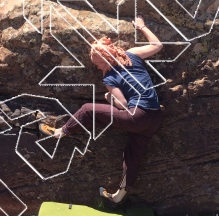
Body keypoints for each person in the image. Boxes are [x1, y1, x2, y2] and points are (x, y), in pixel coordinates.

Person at [39, 16, 163, 205]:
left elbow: (121, 105)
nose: (97, 67)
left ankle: (60, 131)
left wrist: (108, 98)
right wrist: (142, 27)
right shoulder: (132, 55)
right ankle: (119, 196)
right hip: (154, 117)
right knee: (133, 155)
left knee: (88, 109)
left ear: (105, 59)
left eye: (98, 64)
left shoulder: (110, 78)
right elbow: (157, 45)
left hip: (136, 115)